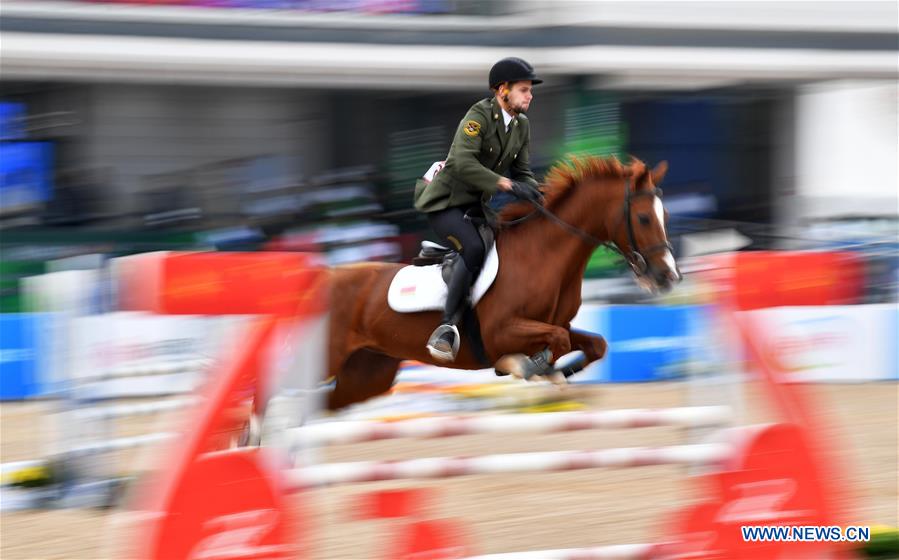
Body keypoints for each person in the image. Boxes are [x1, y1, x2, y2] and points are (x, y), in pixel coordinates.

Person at [413, 57, 545, 362]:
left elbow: (522, 172)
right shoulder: (479, 116)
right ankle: (445, 327)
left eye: (530, 91)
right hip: (445, 202)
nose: (530, 96)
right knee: (473, 248)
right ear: (502, 91)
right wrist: (509, 186)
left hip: (475, 207)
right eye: (524, 90)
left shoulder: (521, 126)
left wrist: (536, 193)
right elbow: (463, 163)